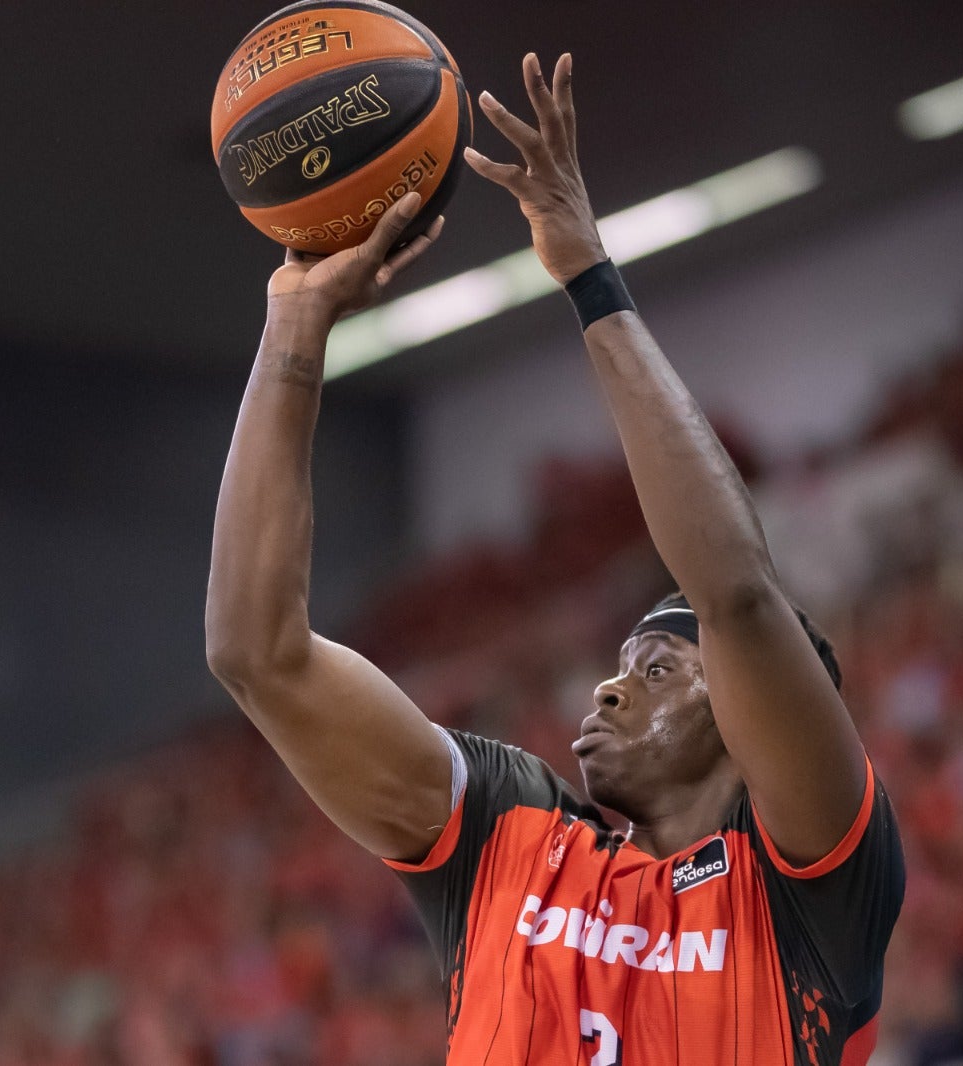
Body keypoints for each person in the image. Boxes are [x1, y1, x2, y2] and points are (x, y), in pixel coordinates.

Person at [204, 52, 904, 1065]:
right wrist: (294, 331)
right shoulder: (508, 831)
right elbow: (255, 653)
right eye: (621, 665)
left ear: (750, 718)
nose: (609, 689)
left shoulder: (812, 890)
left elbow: (735, 594)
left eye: (656, 669)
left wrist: (587, 275)